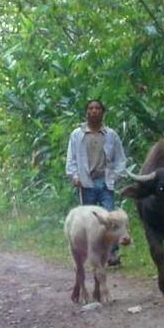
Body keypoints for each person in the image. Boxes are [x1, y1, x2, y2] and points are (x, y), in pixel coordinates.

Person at [65, 99, 128, 264]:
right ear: (86, 112)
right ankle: (93, 252)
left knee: (110, 218)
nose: (94, 111)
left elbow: (120, 158)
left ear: (102, 112)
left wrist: (116, 175)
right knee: (91, 220)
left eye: (97, 108)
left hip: (105, 181)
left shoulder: (111, 135)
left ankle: (112, 254)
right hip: (86, 183)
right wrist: (74, 176)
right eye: (91, 108)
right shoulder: (77, 135)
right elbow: (71, 158)